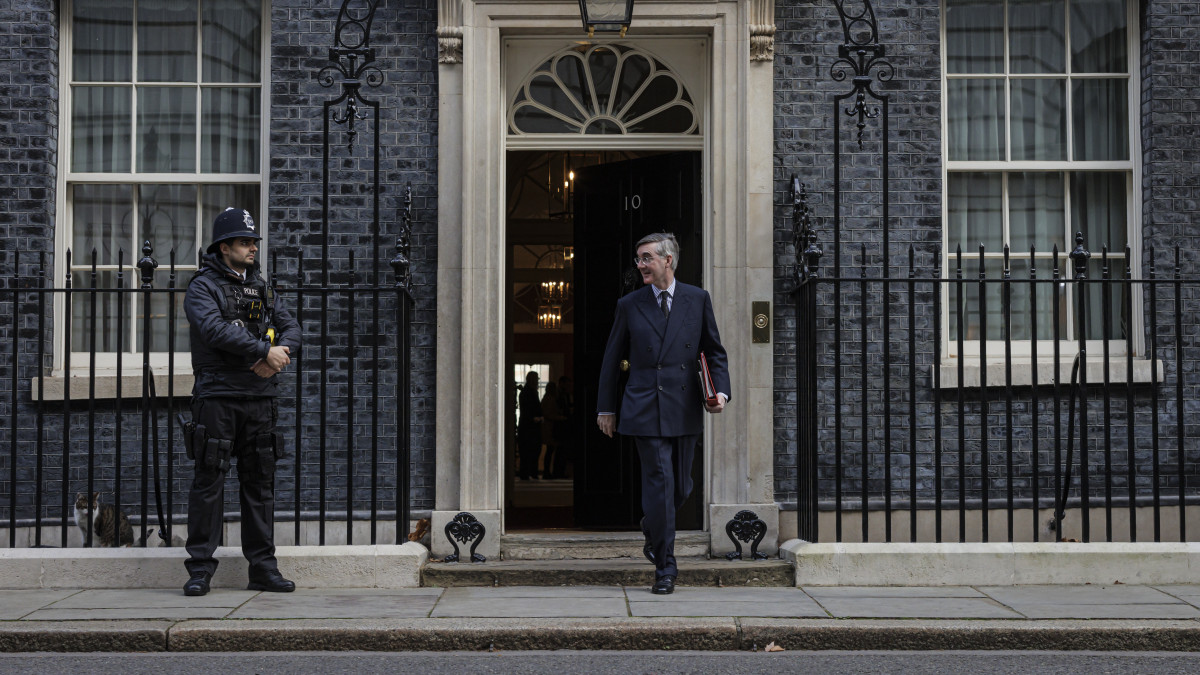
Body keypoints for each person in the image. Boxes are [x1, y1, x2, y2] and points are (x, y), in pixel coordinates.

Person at [595, 232, 730, 595]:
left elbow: (714, 352)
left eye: (646, 258)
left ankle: (652, 525)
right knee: (660, 482)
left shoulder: (698, 299)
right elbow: (611, 358)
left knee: (681, 485)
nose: (640, 265)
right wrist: (606, 408)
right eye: (638, 259)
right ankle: (665, 568)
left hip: (685, 405)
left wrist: (721, 393)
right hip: (643, 405)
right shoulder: (630, 304)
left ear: (667, 260)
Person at [181, 207, 301, 597]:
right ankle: (200, 569)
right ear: (224, 246)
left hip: (260, 398)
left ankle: (263, 568)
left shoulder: (263, 287)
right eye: (245, 242)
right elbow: (214, 330)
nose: (252, 248)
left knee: (260, 484)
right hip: (217, 397)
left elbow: (292, 327)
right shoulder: (203, 287)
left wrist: (278, 353)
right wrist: (264, 353)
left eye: (253, 242)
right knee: (209, 483)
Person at [516, 371, 543, 480]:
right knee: (529, 450)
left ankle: (529, 472)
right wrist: (535, 418)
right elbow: (528, 409)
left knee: (530, 451)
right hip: (529, 426)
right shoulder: (529, 392)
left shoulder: (528, 391)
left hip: (528, 425)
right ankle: (529, 472)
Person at [539, 381, 563, 480]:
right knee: (549, 451)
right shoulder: (550, 399)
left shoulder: (546, 398)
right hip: (550, 427)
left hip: (548, 427)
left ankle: (547, 471)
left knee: (549, 451)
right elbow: (548, 414)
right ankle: (547, 472)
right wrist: (560, 417)